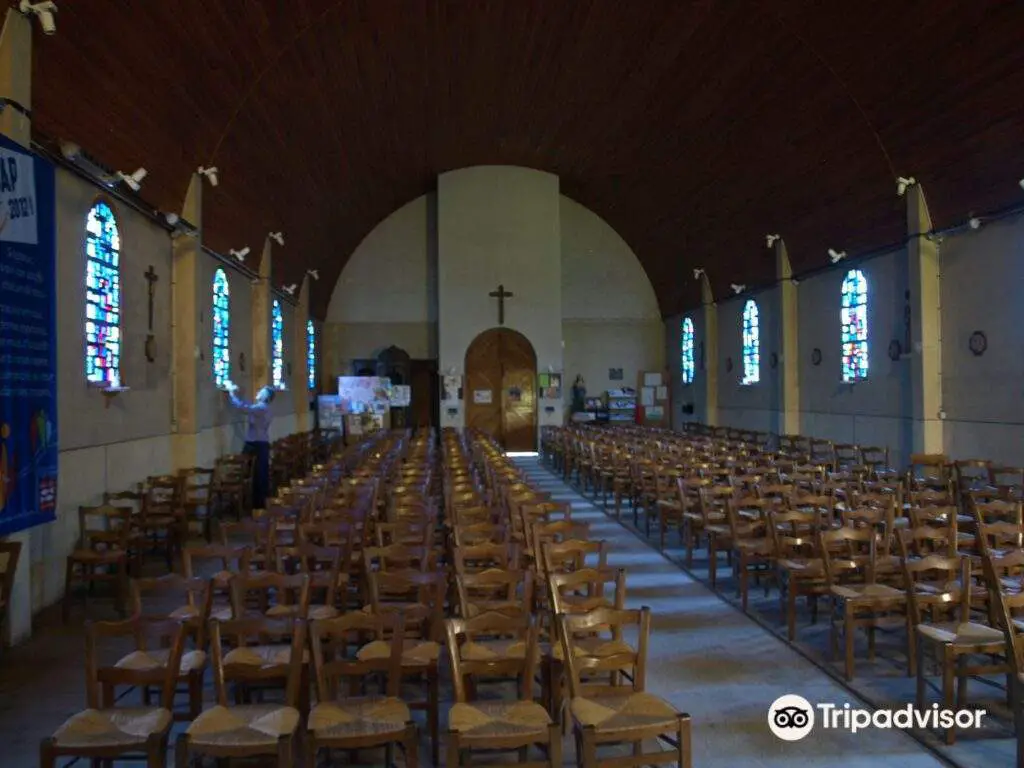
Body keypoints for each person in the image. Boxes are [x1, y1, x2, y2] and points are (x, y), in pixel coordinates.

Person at [224, 382, 274, 510]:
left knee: (257, 475)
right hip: (258, 443)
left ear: (266, 396)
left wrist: (231, 393)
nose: (258, 392)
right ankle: (253, 502)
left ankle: (257, 505)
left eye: (261, 392)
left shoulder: (262, 408)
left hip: (256, 444)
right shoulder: (261, 407)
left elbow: (243, 408)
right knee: (255, 474)